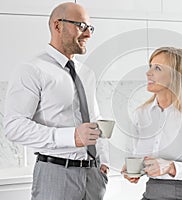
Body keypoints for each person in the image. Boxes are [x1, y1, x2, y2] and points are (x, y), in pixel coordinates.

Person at [3, 2, 109, 200]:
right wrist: (71, 137)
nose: (88, 35)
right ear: (57, 25)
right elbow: (14, 126)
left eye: (90, 28)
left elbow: (95, 119)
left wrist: (103, 162)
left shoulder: (86, 73)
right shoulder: (32, 69)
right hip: (56, 175)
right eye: (81, 26)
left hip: (93, 177)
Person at [122, 47, 182, 200]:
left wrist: (171, 167)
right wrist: (135, 171)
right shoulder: (140, 114)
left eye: (157, 68)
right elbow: (138, 158)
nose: (148, 73)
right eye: (150, 66)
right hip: (151, 194)